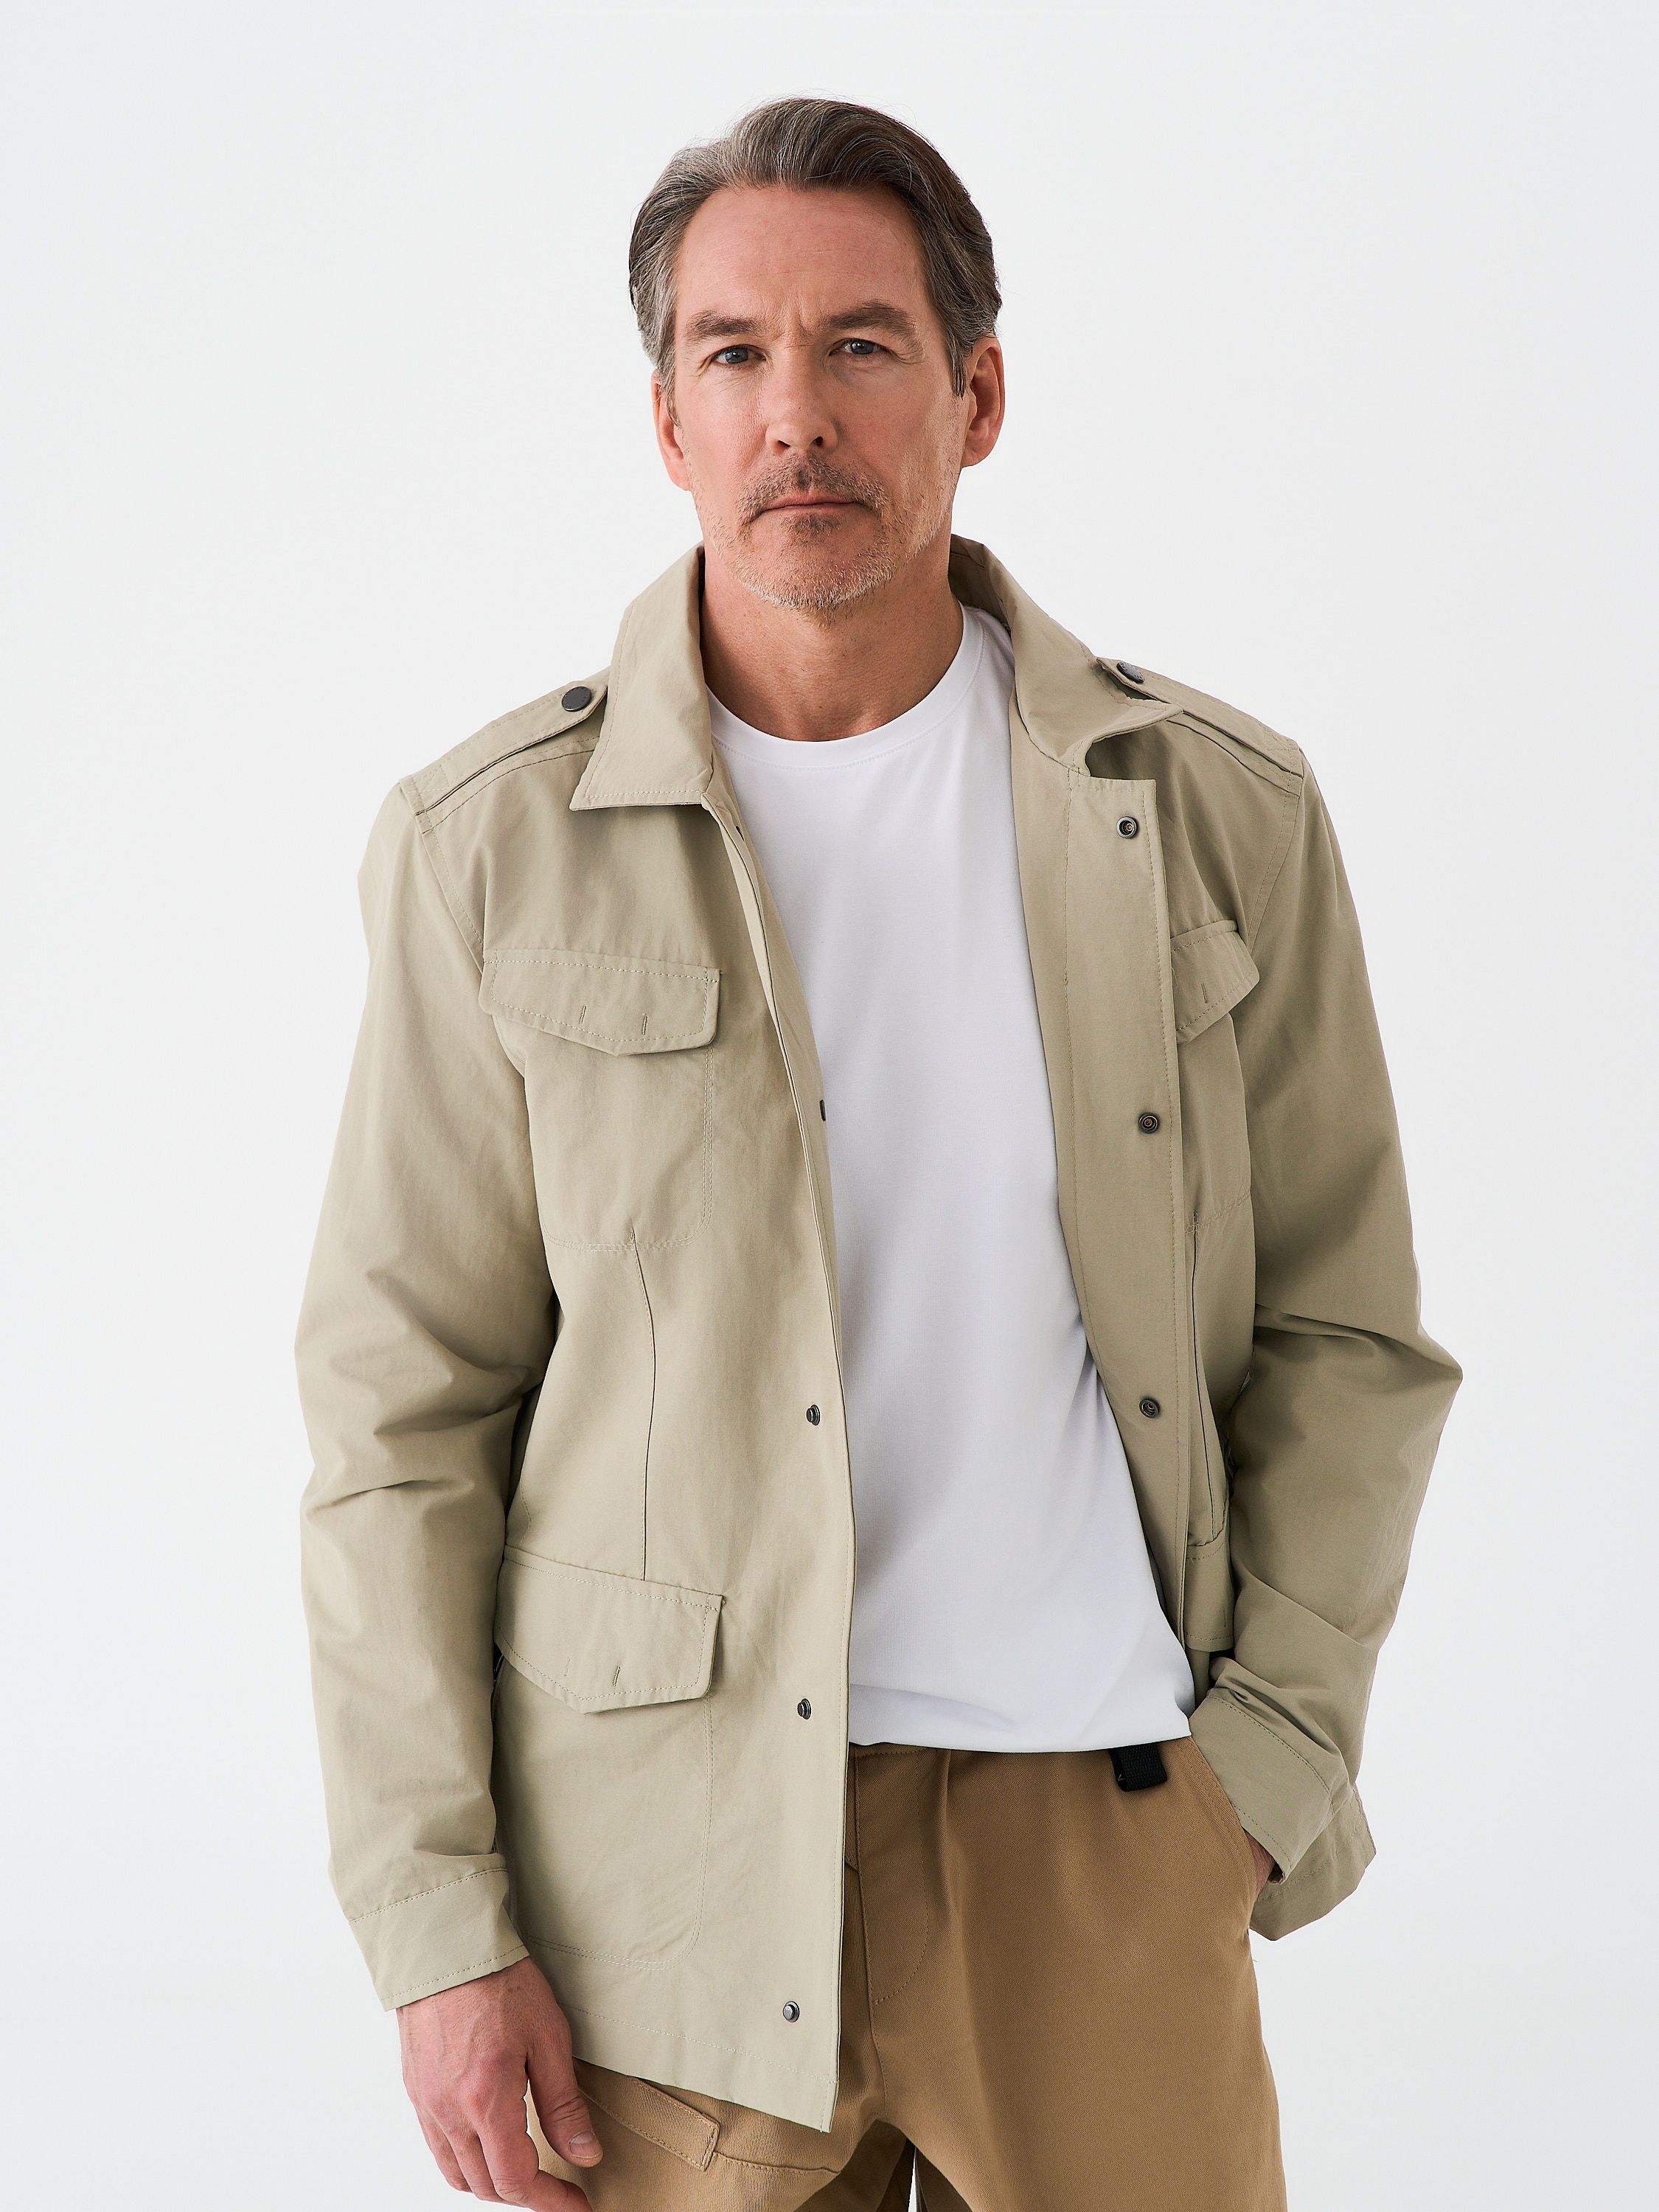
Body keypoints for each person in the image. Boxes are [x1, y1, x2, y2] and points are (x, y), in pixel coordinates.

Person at [296, 94, 1461, 2212]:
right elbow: (405, 1414)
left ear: (975, 394)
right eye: (733, 353)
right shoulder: (488, 848)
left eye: (860, 346)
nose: (794, 415)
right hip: (668, 1870)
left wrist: (1267, 1767)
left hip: (1108, 1827)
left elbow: (1348, 1333)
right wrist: (437, 1921)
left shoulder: (1218, 813)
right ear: (666, 421)